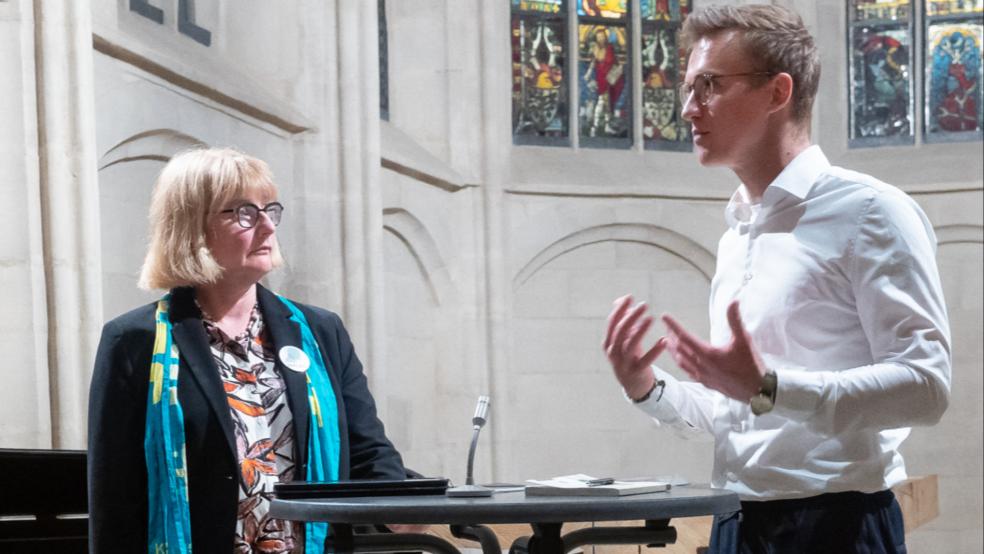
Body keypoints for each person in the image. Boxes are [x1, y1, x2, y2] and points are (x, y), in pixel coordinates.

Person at [603, 5, 950, 553]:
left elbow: (926, 387)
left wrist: (769, 388)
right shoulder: (738, 229)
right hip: (736, 521)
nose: (689, 108)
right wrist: (648, 389)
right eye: (689, 87)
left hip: (838, 524)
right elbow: (744, 412)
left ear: (777, 91)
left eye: (709, 85)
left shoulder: (871, 211)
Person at [88, 148, 413, 553]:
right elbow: (115, 496)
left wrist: (408, 507)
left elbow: (365, 450)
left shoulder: (317, 331)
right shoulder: (135, 340)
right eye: (244, 213)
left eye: (270, 210)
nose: (267, 226)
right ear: (193, 227)